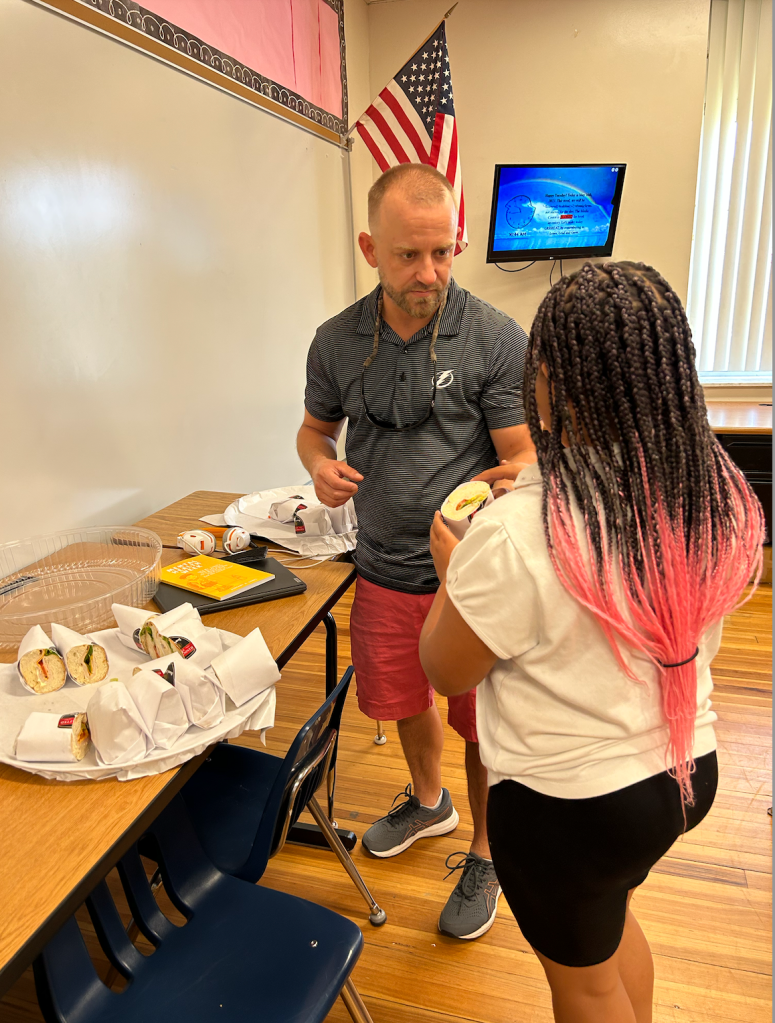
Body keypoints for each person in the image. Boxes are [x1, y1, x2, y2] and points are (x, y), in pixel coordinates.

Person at [419, 261, 764, 1020]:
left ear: (550, 384)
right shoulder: (711, 496)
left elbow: (445, 670)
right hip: (683, 772)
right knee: (608, 923)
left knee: (581, 983)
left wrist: (452, 573)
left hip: (567, 806)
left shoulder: (514, 534)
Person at [297, 163, 536, 940]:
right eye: (408, 255)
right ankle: (430, 803)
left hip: (469, 576)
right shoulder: (335, 341)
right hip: (379, 566)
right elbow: (315, 429)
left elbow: (521, 454)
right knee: (402, 699)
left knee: (481, 721)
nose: (429, 272)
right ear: (370, 248)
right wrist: (317, 463)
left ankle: (486, 849)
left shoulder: (494, 337)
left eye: (442, 252)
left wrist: (497, 488)